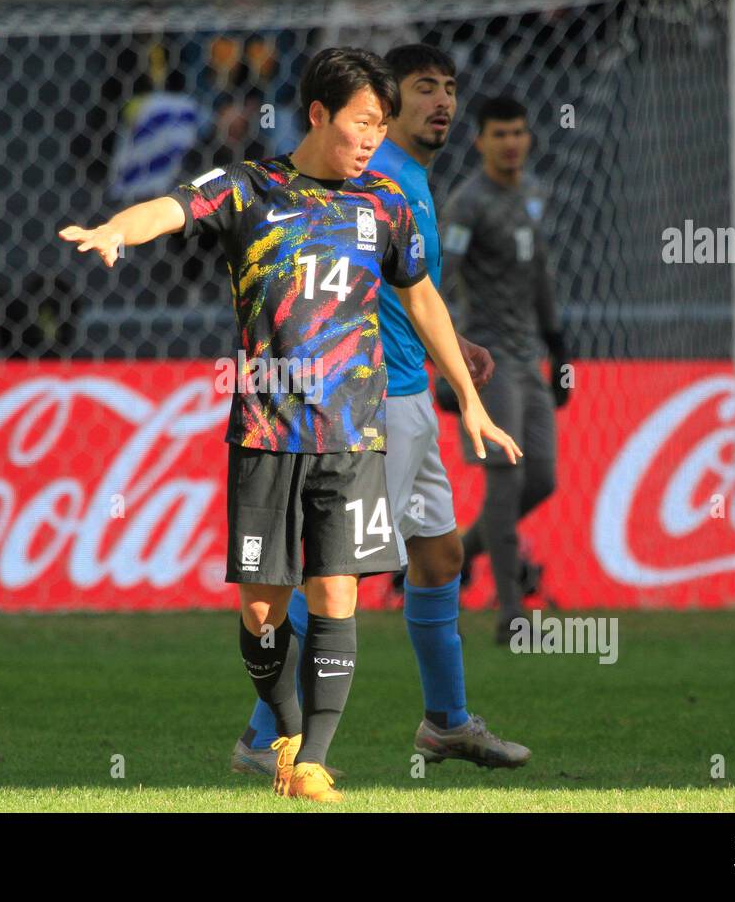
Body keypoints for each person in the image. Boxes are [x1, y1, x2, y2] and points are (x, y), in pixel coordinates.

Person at [59, 48, 521, 802]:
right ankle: (277, 730)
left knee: (339, 596)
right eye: (362, 122)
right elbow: (173, 207)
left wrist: (467, 394)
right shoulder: (252, 188)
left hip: (353, 434)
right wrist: (118, 229)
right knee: (265, 612)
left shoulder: (385, 204)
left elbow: (424, 298)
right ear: (318, 114)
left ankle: (310, 758)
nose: (374, 137)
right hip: (268, 435)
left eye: (380, 123)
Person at [231, 44, 533, 779]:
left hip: (410, 398)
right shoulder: (373, 176)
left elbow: (406, 289)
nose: (443, 103)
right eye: (424, 89)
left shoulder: (411, 181)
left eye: (450, 89)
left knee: (440, 554)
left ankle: (446, 722)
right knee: (338, 578)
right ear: (384, 105)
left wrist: (453, 349)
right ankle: (263, 736)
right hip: (376, 403)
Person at [440, 95, 571, 645]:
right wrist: (449, 363)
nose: (511, 142)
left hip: (528, 357)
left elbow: (539, 271)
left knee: (542, 477)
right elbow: (438, 281)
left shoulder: (535, 196)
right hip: (486, 357)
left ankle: (456, 559)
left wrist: (559, 345)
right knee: (506, 477)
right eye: (500, 134)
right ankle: (512, 614)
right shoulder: (467, 204)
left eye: (518, 132)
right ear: (481, 142)